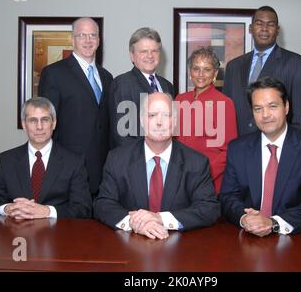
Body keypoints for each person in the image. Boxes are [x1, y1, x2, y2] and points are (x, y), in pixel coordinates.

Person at [94, 92, 220, 240]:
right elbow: (103, 204)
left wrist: (160, 219)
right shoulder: (117, 159)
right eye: (152, 115)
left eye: (166, 115)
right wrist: (134, 222)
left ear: (174, 121)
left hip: (180, 251)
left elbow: (208, 208)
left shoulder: (196, 162)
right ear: (141, 121)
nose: (159, 122)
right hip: (130, 249)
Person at [219, 77, 301, 236]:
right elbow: (227, 197)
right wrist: (244, 218)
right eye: (258, 108)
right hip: (247, 237)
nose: (265, 115)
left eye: (272, 106)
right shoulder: (238, 148)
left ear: (286, 107)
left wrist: (273, 223)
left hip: (294, 239)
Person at [0, 97, 92, 219]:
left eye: (45, 120)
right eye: (33, 120)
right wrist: (8, 209)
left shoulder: (74, 162)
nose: (39, 127)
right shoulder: (7, 160)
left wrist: (47, 211)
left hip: (58, 234)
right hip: (16, 234)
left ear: (53, 123)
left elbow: (83, 209)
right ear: (24, 124)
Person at [38, 17, 113, 198]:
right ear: (72, 40)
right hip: (69, 171)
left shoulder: (107, 77)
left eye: (93, 35)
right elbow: (47, 124)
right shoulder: (54, 74)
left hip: (103, 171)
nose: (88, 40)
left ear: (99, 40)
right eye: (82, 35)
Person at [223, 6, 301, 136]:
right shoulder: (233, 66)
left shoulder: (297, 64)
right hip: (238, 147)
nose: (264, 29)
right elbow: (226, 113)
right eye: (259, 23)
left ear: (277, 30)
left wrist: (287, 150)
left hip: (275, 149)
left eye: (270, 25)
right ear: (250, 28)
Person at [175, 47, 238, 194]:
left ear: (215, 73)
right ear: (190, 72)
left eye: (207, 69)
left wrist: (203, 175)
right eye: (196, 69)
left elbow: (228, 150)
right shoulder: (180, 99)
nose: (201, 74)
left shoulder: (224, 102)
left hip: (208, 180)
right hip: (178, 178)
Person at [109, 27, 174, 148]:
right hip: (135, 161)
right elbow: (122, 135)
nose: (150, 56)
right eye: (143, 51)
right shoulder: (121, 84)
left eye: (154, 51)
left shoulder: (167, 86)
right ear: (132, 56)